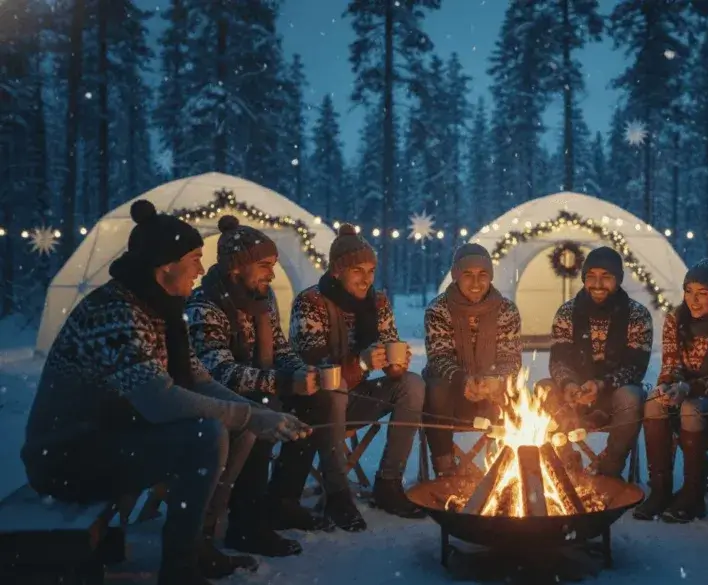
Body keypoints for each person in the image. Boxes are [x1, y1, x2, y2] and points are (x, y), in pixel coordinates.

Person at [21, 200, 309, 585]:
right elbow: (159, 400)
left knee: (230, 425)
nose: (201, 269)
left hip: (114, 435)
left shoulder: (161, 311)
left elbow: (199, 377)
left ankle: (200, 544)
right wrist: (248, 414)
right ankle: (181, 568)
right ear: (165, 264)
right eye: (193, 258)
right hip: (68, 454)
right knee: (205, 433)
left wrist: (259, 415)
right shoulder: (114, 312)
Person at [186, 216, 334, 555]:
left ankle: (282, 500)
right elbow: (217, 373)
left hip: (262, 388)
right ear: (236, 268)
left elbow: (281, 350)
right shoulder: (204, 307)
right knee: (260, 408)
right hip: (215, 404)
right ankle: (246, 523)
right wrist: (283, 382)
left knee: (317, 402)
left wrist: (302, 375)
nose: (270, 273)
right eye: (264, 265)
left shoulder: (262, 303)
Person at [290, 223, 427, 525]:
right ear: (337, 271)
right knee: (335, 389)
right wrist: (361, 364)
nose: (367, 279)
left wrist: (395, 363)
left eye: (371, 271)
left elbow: (389, 340)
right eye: (357, 271)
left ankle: (389, 483)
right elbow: (314, 370)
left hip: (358, 397)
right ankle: (338, 494)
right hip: (315, 403)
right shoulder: (310, 303)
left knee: (412, 385)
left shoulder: (377, 303)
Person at [633, 247, 708, 523]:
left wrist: (688, 390)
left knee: (691, 409)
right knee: (654, 403)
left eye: (702, 293)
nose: (693, 300)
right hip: (685, 392)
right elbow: (671, 364)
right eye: (689, 291)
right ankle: (661, 490)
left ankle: (693, 494)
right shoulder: (676, 319)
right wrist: (668, 386)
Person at [542, 247, 650, 478]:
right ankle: (566, 459)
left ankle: (609, 466)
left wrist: (601, 385)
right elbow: (558, 360)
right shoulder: (567, 312)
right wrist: (569, 384)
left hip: (615, 394)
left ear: (618, 280)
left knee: (631, 397)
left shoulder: (636, 315)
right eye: (591, 276)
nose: (598, 284)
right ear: (583, 278)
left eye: (606, 277)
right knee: (544, 388)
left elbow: (635, 367)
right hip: (575, 395)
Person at [422, 243, 523, 476]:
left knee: (512, 389)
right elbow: (439, 357)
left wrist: (493, 381)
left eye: (482, 275)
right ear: (456, 276)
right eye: (468, 275)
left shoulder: (506, 310)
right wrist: (464, 381)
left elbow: (510, 359)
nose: (476, 283)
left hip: (491, 395)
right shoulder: (439, 309)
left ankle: (502, 467)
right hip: (452, 395)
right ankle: (444, 466)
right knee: (435, 387)